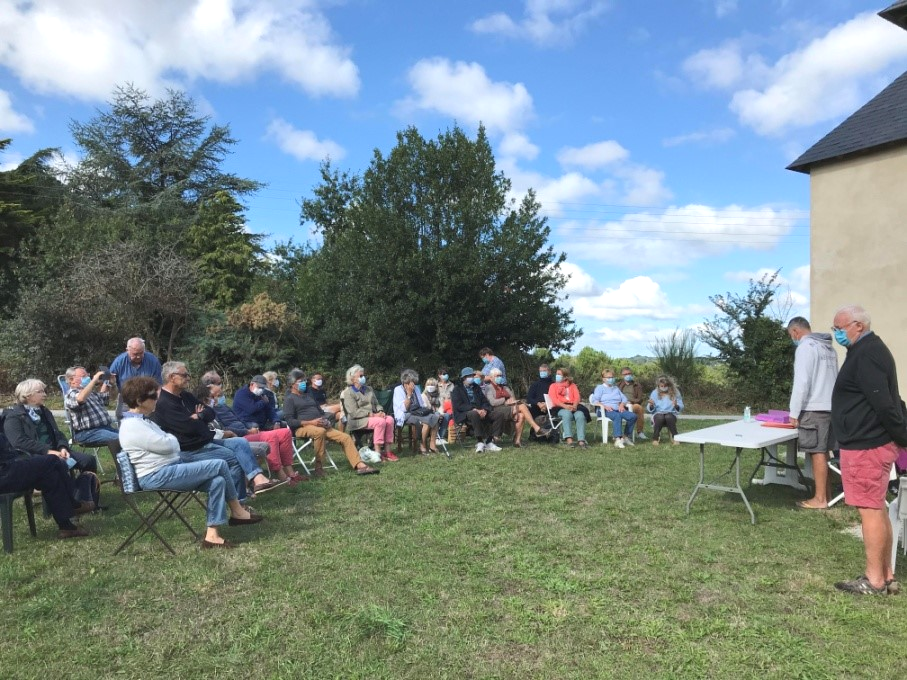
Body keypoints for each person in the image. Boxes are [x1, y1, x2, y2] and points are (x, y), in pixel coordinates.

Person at [119, 376, 263, 549]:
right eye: (152, 396)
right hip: (155, 475)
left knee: (217, 481)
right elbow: (170, 445)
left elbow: (170, 443)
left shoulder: (143, 421)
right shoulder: (132, 426)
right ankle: (237, 510)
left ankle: (212, 535)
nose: (157, 399)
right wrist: (170, 439)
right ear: (139, 400)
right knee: (219, 464)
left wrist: (169, 439)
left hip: (168, 468)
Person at [830, 305, 907, 595]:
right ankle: (885, 575)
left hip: (867, 445)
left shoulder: (868, 353)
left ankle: (874, 580)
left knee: (870, 510)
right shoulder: (867, 351)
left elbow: (885, 403)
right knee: (877, 507)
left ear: (858, 326)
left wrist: (901, 435)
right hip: (868, 443)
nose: (836, 332)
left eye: (840, 327)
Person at [150, 362, 282, 500]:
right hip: (189, 450)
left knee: (240, 442)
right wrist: (199, 420)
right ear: (172, 377)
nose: (188, 377)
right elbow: (189, 428)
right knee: (234, 459)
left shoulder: (186, 396)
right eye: (184, 375)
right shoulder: (164, 402)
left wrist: (199, 416)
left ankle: (258, 479)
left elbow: (210, 413)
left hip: (206, 442)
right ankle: (240, 505)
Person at [200, 383, 305, 485]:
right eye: (216, 395)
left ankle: (290, 471)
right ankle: (279, 473)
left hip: (246, 430)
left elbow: (239, 419)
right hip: (238, 437)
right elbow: (224, 429)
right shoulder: (211, 412)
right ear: (207, 398)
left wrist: (250, 427)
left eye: (220, 395)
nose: (219, 398)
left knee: (285, 432)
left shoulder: (224, 407)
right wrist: (247, 431)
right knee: (271, 437)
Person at [0, 425, 93, 539]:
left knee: (49, 474)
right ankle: (73, 504)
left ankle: (67, 527)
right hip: (4, 473)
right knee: (52, 461)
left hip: (8, 468)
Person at [284, 369, 379, 475]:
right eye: (300, 381)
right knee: (319, 431)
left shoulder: (309, 397)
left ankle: (359, 465)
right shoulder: (290, 399)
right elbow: (290, 421)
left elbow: (321, 412)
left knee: (345, 437)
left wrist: (326, 420)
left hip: (320, 425)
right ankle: (318, 468)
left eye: (304, 380)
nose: (304, 383)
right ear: (292, 384)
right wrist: (311, 422)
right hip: (302, 428)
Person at [787, 316, 838, 509]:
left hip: (814, 407)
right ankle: (827, 493)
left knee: (817, 452)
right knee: (826, 452)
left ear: (795, 332)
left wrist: (794, 412)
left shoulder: (806, 348)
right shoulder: (828, 348)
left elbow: (802, 382)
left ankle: (819, 499)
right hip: (831, 406)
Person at [4, 379, 98, 473]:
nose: (44, 394)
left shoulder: (45, 412)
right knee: (56, 465)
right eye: (40, 392)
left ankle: (86, 487)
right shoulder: (13, 416)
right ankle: (69, 486)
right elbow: (19, 441)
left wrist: (62, 447)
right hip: (32, 455)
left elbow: (58, 433)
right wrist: (48, 451)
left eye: (44, 391)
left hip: (55, 451)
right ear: (28, 395)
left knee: (88, 460)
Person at [340, 365, 397, 462]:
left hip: (373, 416)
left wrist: (380, 411)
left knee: (390, 419)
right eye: (360, 376)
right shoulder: (348, 393)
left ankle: (388, 451)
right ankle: (378, 453)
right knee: (380, 422)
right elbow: (353, 412)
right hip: (357, 420)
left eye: (363, 375)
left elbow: (376, 404)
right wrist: (371, 415)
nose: (363, 378)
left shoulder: (369, 389)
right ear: (353, 378)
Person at [483, 367, 550, 447]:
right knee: (521, 406)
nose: (499, 378)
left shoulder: (505, 387)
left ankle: (517, 441)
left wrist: (511, 401)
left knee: (521, 415)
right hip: (497, 410)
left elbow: (513, 399)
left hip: (508, 408)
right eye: (497, 376)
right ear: (491, 377)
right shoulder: (489, 388)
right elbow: (492, 402)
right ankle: (536, 428)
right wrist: (505, 400)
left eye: (500, 376)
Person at [63, 365, 122, 455]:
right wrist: (94, 381)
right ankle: (124, 466)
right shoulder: (70, 394)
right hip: (87, 433)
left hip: (105, 428)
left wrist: (112, 384)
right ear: (71, 380)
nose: (87, 378)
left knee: (129, 437)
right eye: (83, 376)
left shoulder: (91, 393)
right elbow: (80, 399)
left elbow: (110, 397)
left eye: (87, 375)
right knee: (121, 439)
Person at [451, 367, 502, 453]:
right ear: (464, 378)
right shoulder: (457, 389)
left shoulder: (476, 387)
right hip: (465, 413)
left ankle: (489, 441)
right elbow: (458, 405)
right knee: (474, 414)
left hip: (480, 410)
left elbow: (484, 401)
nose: (471, 378)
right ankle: (480, 441)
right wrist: (474, 409)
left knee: (499, 414)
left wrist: (485, 410)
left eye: (472, 375)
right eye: (469, 376)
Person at [393, 369, 442, 454]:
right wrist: (409, 394)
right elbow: (403, 409)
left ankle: (432, 445)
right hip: (406, 414)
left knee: (434, 417)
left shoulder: (416, 389)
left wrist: (426, 411)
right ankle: (422, 446)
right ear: (406, 383)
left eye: (414, 383)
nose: (413, 385)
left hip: (417, 412)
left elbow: (421, 404)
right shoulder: (398, 390)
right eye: (411, 383)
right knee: (427, 422)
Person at [589, 369, 637, 449]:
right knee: (617, 416)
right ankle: (617, 439)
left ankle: (625, 437)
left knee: (633, 416)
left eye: (612, 377)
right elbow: (594, 400)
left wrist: (622, 404)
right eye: (608, 377)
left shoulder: (616, 388)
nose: (611, 379)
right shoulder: (600, 388)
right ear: (603, 378)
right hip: (604, 410)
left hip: (618, 408)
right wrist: (604, 406)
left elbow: (624, 398)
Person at [548, 367, 587, 448]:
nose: (557, 376)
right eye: (557, 374)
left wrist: (575, 405)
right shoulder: (553, 386)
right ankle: (569, 439)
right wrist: (565, 406)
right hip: (559, 407)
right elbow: (554, 400)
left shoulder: (572, 385)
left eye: (559, 374)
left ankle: (581, 441)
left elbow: (577, 397)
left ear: (565, 377)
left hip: (573, 406)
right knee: (567, 414)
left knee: (580, 415)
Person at [646, 375, 684, 445]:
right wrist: (651, 405)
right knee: (660, 417)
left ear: (669, 385)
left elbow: (681, 405)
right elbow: (649, 407)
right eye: (661, 386)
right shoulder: (655, 392)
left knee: (668, 416)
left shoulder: (676, 392)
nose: (663, 388)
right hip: (658, 414)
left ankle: (675, 438)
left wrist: (676, 405)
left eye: (665, 386)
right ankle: (655, 438)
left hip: (671, 414)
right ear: (658, 386)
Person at [619, 367, 647, 440]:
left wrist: (630, 401)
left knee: (639, 407)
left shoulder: (637, 385)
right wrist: (623, 403)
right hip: (620, 405)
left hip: (632, 404)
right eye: (625, 374)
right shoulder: (618, 385)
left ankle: (640, 432)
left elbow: (640, 399)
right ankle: (622, 434)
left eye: (629, 373)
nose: (627, 375)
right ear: (622, 375)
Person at [423, 377, 452, 444]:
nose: (430, 387)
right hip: (427, 414)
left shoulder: (439, 396)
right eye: (429, 385)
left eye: (433, 385)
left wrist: (440, 412)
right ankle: (435, 438)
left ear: (436, 386)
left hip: (438, 412)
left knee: (447, 415)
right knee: (436, 415)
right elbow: (426, 407)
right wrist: (437, 412)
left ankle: (441, 437)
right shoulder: (423, 395)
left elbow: (441, 406)